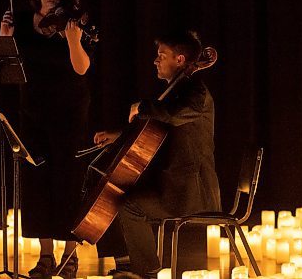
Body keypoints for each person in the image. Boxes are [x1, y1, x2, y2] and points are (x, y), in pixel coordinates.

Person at [93, 30, 221, 279]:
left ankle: (146, 271)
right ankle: (131, 263)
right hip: (175, 185)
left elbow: (171, 115)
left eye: (162, 55)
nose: (155, 60)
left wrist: (142, 106)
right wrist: (120, 135)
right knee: (115, 194)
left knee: (127, 204)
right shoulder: (177, 92)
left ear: (180, 60)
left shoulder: (196, 93)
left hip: (192, 191)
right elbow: (157, 127)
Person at [0, 0, 91, 279]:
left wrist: (73, 40)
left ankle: (70, 256)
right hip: (32, 111)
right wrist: (4, 35)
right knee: (36, 182)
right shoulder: (23, 21)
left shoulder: (75, 20)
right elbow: (7, 72)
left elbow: (81, 68)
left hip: (69, 111)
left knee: (68, 181)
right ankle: (45, 256)